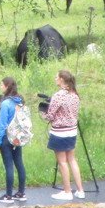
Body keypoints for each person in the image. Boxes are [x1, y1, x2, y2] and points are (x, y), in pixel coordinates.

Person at [41, 68, 85, 200]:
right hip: (72, 131)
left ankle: (67, 191)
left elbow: (50, 115)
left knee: (62, 162)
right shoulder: (74, 95)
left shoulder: (59, 95)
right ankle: (80, 190)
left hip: (60, 132)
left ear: (61, 80)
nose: (55, 79)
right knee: (72, 159)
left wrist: (43, 113)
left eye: (56, 77)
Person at [0, 76, 27, 202]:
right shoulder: (19, 101)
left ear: (7, 86)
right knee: (19, 163)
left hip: (7, 138)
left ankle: (8, 195)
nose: (1, 87)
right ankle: (21, 192)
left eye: (2, 85)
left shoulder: (6, 103)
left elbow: (2, 124)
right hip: (18, 137)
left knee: (9, 165)